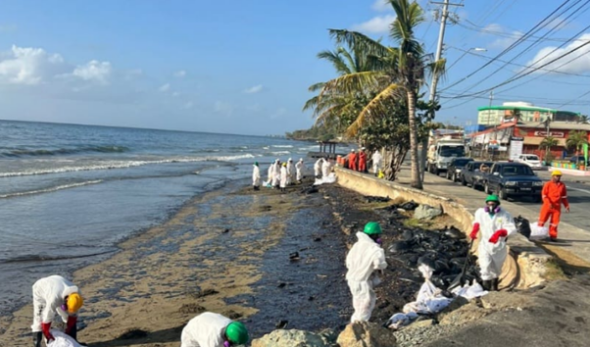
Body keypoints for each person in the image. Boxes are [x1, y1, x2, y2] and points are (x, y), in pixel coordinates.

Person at [470, 195, 516, 291]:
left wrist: (500, 233)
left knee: (496, 267)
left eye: (493, 204)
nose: (491, 206)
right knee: (485, 265)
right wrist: (474, 230)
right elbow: (477, 222)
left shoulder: (505, 215)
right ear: (486, 204)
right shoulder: (481, 213)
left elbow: (511, 229)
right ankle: (485, 288)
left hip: (499, 245)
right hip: (485, 244)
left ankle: (494, 285)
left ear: (497, 205)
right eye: (489, 203)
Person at [346, 222, 387, 323]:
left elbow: (348, 262)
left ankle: (353, 325)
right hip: (362, 281)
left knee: (357, 305)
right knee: (365, 307)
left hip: (351, 280)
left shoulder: (356, 245)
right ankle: (360, 330)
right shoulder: (375, 249)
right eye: (378, 235)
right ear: (374, 235)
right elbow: (379, 264)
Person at [32, 275, 84, 347]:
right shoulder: (54, 298)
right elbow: (47, 318)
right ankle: (36, 343)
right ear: (66, 300)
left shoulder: (77, 295)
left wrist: (69, 330)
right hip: (41, 289)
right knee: (39, 318)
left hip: (57, 282)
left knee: (67, 316)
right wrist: (47, 334)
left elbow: (73, 315)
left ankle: (73, 340)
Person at [180, 312, 249, 347]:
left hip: (206, 319)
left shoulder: (231, 326)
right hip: (192, 332)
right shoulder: (212, 340)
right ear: (228, 338)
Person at [538, 170, 570, 241]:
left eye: (559, 176)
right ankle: (538, 234)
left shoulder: (562, 185)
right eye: (557, 176)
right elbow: (544, 196)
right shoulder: (548, 184)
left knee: (554, 223)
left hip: (557, 207)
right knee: (542, 221)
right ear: (553, 176)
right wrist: (549, 203)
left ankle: (553, 236)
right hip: (547, 206)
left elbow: (564, 197)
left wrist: (566, 205)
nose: (558, 177)